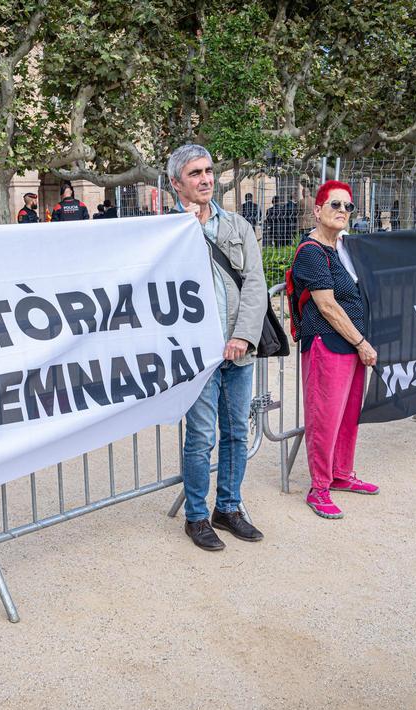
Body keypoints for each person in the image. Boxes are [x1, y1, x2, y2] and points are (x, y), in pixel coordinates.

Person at [167, 144, 267, 551]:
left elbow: (256, 283)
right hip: (199, 357)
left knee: (237, 433)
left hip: (238, 350)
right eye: (195, 173)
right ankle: (196, 516)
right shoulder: (166, 232)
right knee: (201, 437)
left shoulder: (238, 226)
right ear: (176, 183)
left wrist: (243, 335)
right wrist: (183, 232)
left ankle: (228, 507)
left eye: (209, 170)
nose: (206, 179)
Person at [291, 180, 379, 520]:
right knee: (325, 417)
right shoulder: (312, 251)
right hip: (328, 343)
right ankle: (320, 488)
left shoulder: (343, 247)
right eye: (335, 205)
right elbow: (327, 306)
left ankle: (341, 474)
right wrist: (361, 342)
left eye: (348, 207)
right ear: (317, 210)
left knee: (347, 415)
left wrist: (359, 344)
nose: (342, 211)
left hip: (353, 346)